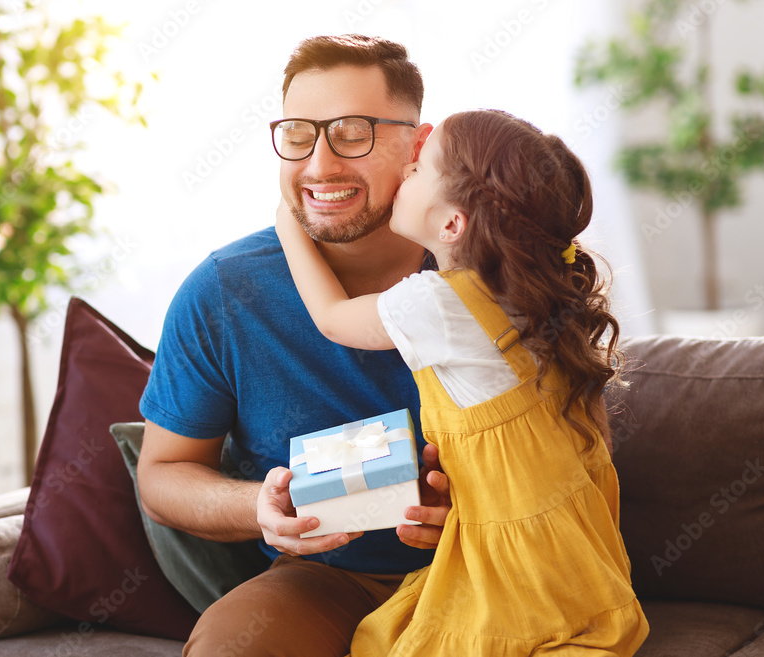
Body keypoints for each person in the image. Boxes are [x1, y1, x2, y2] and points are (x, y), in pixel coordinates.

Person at [275, 109, 650, 655]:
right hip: (575, 555)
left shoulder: (432, 302)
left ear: (452, 224)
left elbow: (333, 318)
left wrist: (290, 223)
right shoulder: (533, 299)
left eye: (420, 167)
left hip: (515, 567)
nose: (406, 168)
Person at [137, 35, 452, 656]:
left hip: (489, 558)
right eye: (299, 135)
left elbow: (579, 447)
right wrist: (263, 505)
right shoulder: (226, 292)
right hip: (321, 580)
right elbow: (163, 474)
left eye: (353, 133)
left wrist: (479, 509)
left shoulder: (492, 274)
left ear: (418, 146)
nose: (320, 166)